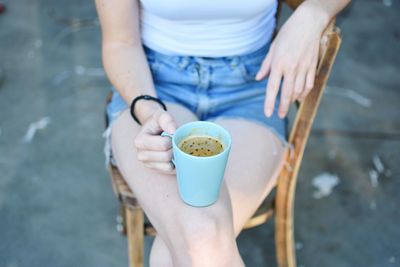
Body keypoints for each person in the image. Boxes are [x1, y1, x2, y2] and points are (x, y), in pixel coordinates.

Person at [96, 0, 350, 266]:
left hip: (251, 91)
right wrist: (147, 108)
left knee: (195, 240)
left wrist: (314, 13)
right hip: (150, 86)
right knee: (200, 235)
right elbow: (120, 43)